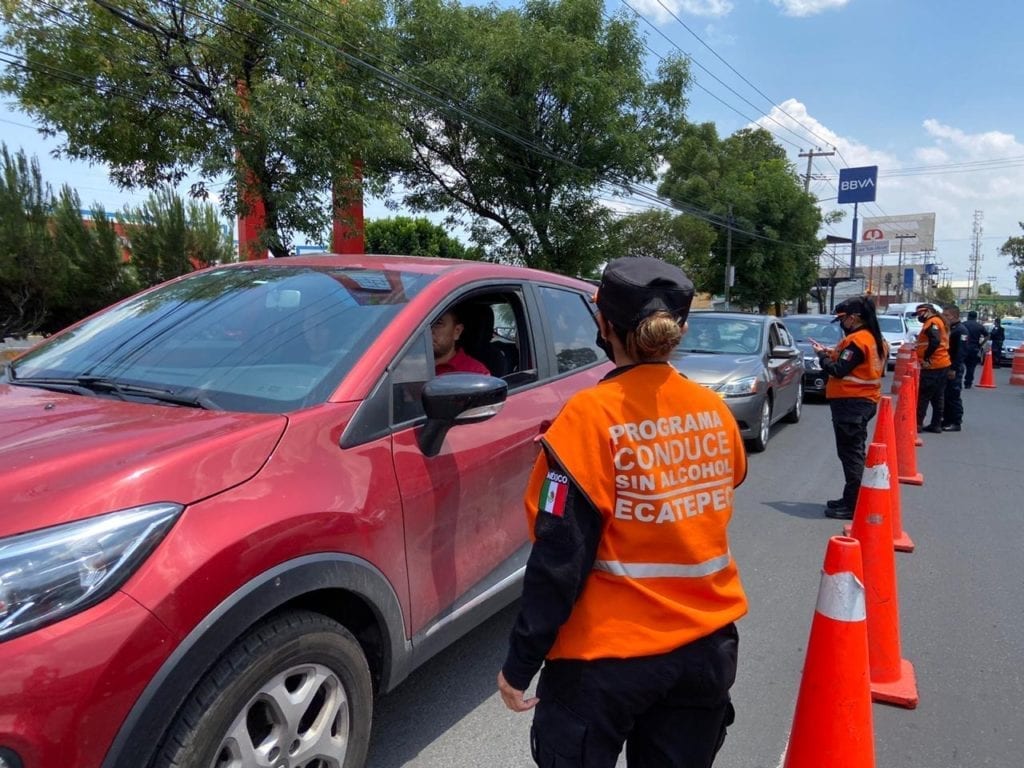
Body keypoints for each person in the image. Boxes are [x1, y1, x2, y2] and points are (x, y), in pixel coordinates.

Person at [497, 256, 748, 768]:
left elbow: (559, 558)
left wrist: (519, 664)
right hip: (706, 649)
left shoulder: (588, 418)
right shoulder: (715, 411)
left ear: (602, 322)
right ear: (681, 327)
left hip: (604, 662)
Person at [809, 296, 887, 520]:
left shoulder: (858, 340)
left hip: (852, 404)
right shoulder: (873, 339)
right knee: (851, 452)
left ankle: (854, 505)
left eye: (843, 319)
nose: (842, 324)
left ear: (853, 318)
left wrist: (822, 358)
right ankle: (850, 497)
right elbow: (850, 364)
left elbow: (839, 370)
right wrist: (830, 353)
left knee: (851, 455)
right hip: (861, 401)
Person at [914, 303, 951, 432]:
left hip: (934, 365)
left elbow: (934, 341)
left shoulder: (933, 322)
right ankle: (936, 424)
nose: (919, 316)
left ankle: (918, 424)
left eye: (920, 313)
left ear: (928, 311)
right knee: (937, 396)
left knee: (924, 396)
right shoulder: (938, 321)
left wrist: (926, 358)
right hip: (942, 364)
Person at [431, 307, 490, 375]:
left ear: (457, 331)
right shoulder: (416, 365)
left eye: (438, 323)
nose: (429, 330)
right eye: (424, 325)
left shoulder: (476, 374)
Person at [941, 305, 967, 432]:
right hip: (946, 365)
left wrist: (954, 369)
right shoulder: (950, 329)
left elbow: (961, 352)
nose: (944, 318)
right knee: (945, 394)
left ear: (954, 316)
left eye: (946, 316)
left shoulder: (961, 331)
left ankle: (956, 422)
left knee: (953, 395)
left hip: (954, 367)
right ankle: (946, 419)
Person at [962, 310, 989, 388]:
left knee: (960, 365)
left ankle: (957, 381)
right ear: (976, 317)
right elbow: (987, 336)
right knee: (971, 367)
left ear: (968, 316)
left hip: (964, 347)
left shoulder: (963, 325)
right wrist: (980, 344)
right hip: (974, 348)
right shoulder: (979, 326)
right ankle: (968, 383)